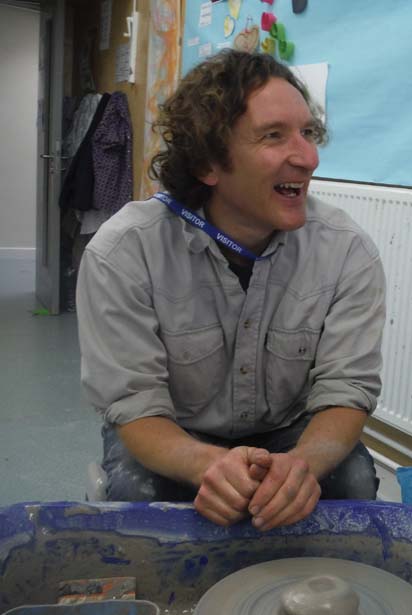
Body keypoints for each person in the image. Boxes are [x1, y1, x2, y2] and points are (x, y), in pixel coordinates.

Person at [76, 50, 386, 532]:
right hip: (172, 431)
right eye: (273, 136)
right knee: (141, 496)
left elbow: (346, 390)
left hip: (288, 429)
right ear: (207, 163)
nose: (308, 158)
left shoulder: (347, 252)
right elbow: (134, 405)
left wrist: (301, 465)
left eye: (308, 133)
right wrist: (206, 466)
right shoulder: (123, 254)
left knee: (353, 478)